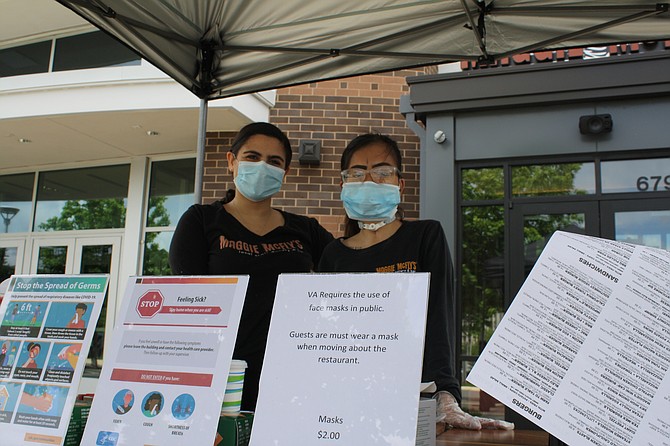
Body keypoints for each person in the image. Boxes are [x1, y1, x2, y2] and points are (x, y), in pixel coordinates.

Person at [318, 133, 514, 432]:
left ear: (400, 184)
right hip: (348, 401)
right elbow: (325, 334)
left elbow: (440, 316)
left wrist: (446, 395)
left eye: (382, 172)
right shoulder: (333, 255)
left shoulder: (425, 237)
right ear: (343, 185)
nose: (369, 181)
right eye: (357, 173)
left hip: (414, 401)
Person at [169, 122, 334, 411]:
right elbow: (187, 305)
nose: (262, 166)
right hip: (222, 381)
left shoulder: (306, 229)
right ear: (231, 161)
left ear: (285, 173)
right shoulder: (201, 221)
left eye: (274, 161)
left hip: (293, 378)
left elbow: (350, 278)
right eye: (252, 157)